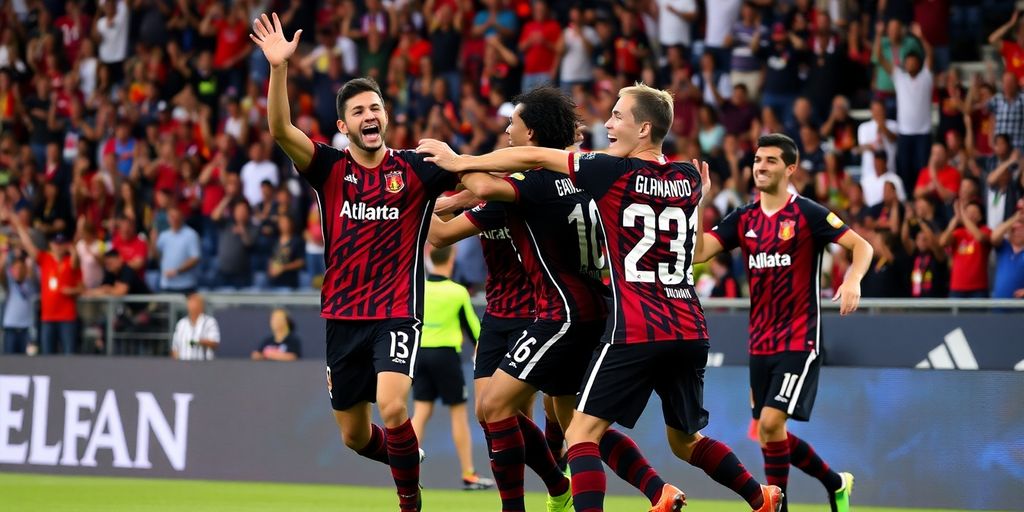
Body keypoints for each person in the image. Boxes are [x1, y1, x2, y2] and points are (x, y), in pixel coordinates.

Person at [417, 83, 783, 512]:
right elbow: (695, 242)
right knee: (685, 441)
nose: (607, 124)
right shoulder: (686, 176)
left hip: (634, 324)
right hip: (688, 325)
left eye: (618, 117)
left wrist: (459, 162)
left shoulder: (611, 171)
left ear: (644, 129)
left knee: (579, 434)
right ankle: (761, 496)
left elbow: (535, 160)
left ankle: (558, 493)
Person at [429, 87, 680, 512]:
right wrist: (468, 191)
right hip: (589, 306)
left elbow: (469, 204)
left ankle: (538, 496)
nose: (507, 130)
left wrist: (453, 164)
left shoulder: (532, 184)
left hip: (558, 310)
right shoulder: (590, 176)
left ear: (531, 135)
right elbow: (487, 190)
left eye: (514, 123)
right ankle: (657, 489)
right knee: (575, 424)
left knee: (493, 407)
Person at [251, 13, 457, 511]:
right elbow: (280, 128)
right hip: (342, 314)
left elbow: (476, 187)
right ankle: (407, 456)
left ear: (386, 117)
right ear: (344, 126)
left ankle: (410, 501)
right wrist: (280, 69)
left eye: (376, 107)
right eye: (359, 111)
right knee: (353, 436)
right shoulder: (329, 168)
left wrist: (462, 171)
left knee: (391, 405)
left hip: (396, 310)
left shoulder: (415, 168)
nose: (370, 116)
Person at [694, 133, 871, 512]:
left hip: (799, 338)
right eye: (758, 159)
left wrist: (852, 279)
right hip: (760, 342)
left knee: (771, 423)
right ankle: (836, 482)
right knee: (770, 433)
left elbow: (862, 246)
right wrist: (699, 203)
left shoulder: (808, 213)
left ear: (790, 169)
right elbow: (698, 253)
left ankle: (776, 507)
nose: (761, 166)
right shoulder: (744, 218)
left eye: (771, 160)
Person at [410, 245, 493, 490]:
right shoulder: (457, 292)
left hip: (420, 354)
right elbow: (475, 331)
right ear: (452, 258)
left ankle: (406, 471)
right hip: (446, 355)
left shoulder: (419, 288)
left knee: (421, 413)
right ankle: (469, 474)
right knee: (458, 414)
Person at [11, 211, 83, 355]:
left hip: (67, 317)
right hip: (48, 317)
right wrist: (18, 225)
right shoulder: (45, 259)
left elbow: (81, 284)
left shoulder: (71, 262)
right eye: (56, 243)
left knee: (70, 354)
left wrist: (72, 291)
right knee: (47, 356)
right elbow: (28, 245)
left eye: (62, 243)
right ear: (51, 245)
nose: (59, 246)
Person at [0, 250, 37, 354]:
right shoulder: (9, 284)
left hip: (27, 330)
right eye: (15, 269)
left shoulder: (30, 284)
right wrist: (5, 254)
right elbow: (1, 272)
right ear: (11, 270)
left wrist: (25, 254)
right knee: (9, 363)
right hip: (10, 329)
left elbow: (32, 270)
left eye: (21, 268)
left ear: (25, 269)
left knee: (27, 363)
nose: (18, 271)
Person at [170, 292, 221, 361]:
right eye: (189, 302)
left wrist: (196, 342)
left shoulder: (209, 322)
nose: (190, 305)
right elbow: (175, 347)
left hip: (204, 365)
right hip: (183, 365)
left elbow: (215, 342)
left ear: (201, 306)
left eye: (193, 302)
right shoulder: (181, 323)